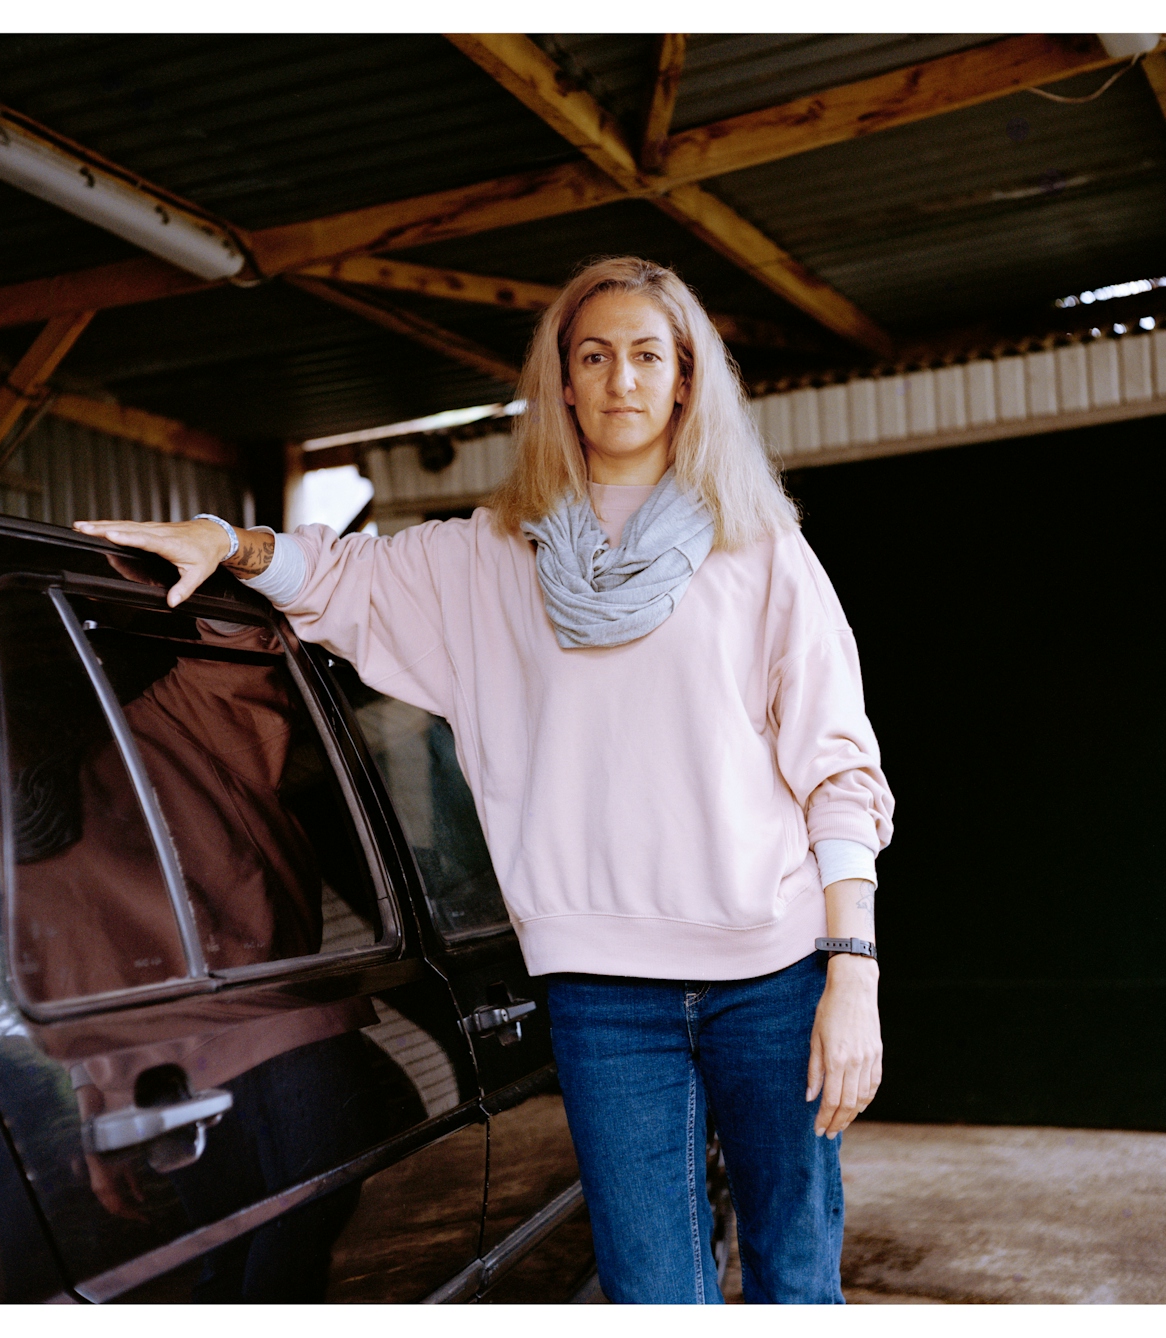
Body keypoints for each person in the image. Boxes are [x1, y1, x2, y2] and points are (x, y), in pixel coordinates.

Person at [75, 255, 893, 1305]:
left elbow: (838, 767)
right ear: (561, 383)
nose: (622, 380)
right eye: (593, 357)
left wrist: (851, 972)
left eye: (650, 356)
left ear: (688, 381)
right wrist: (231, 540)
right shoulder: (491, 559)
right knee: (653, 1295)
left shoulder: (760, 550)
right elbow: (334, 578)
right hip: (604, 994)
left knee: (794, 1276)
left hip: (774, 974)